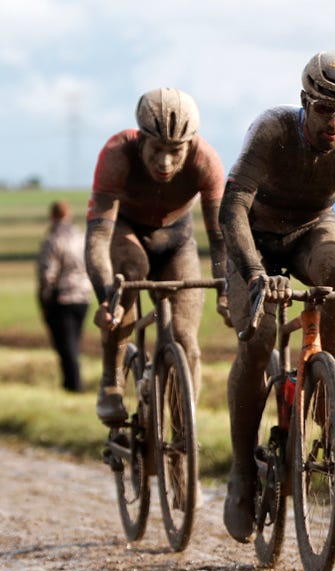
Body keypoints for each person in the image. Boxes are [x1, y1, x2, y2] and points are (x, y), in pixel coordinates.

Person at [218, 50, 335, 543]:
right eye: (325, 109)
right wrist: (254, 272)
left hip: (310, 231)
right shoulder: (272, 130)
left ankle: (327, 393)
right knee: (258, 340)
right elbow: (232, 207)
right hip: (255, 237)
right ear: (305, 101)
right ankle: (242, 470)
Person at [85, 87, 227, 425]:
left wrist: (226, 292)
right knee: (131, 273)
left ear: (189, 145)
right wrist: (107, 297)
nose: (165, 162)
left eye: (175, 151)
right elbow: (98, 238)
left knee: (184, 337)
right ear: (141, 140)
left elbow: (221, 238)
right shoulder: (117, 153)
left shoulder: (206, 161)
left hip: (177, 239)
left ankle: (183, 432)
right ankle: (112, 381)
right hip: (126, 232)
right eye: (157, 150)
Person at [36, 200, 92, 392]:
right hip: (84, 296)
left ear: (52, 216)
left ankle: (74, 387)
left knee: (65, 347)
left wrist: (43, 301)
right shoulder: (82, 237)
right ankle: (73, 384)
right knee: (74, 343)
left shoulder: (53, 240)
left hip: (62, 299)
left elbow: (47, 274)